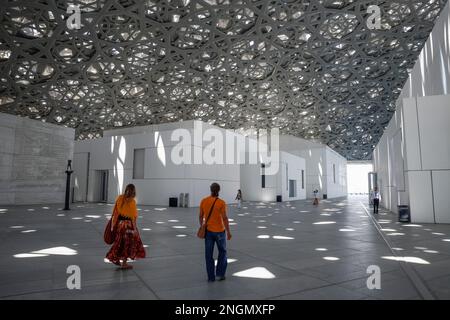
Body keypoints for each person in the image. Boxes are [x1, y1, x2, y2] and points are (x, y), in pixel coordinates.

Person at [106, 184, 146, 269]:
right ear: (133, 191)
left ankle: (115, 257)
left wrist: (115, 223)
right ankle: (124, 263)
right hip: (129, 226)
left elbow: (115, 212)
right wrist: (134, 228)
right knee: (128, 244)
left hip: (120, 225)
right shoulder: (132, 202)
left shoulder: (120, 198)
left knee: (119, 243)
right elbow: (134, 216)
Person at [199, 183, 232, 282]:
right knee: (222, 252)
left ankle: (211, 277)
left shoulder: (204, 201)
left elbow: (200, 216)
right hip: (220, 232)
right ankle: (220, 274)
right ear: (219, 190)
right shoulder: (221, 203)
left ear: (210, 189)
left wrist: (202, 226)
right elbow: (224, 218)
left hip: (208, 232)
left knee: (208, 254)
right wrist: (228, 232)